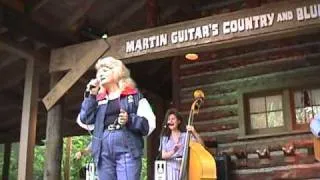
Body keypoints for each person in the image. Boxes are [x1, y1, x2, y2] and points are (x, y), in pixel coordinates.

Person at [78, 56, 156, 180]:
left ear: (116, 71)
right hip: (103, 150)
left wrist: (129, 120)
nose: (100, 74)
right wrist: (91, 96)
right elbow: (84, 120)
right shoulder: (98, 99)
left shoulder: (133, 96)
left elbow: (149, 124)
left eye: (105, 70)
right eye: (99, 72)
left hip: (128, 149)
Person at [161, 108, 204, 180]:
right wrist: (173, 151)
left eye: (173, 119)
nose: (170, 121)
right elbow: (163, 155)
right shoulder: (165, 137)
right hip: (170, 169)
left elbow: (201, 145)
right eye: (169, 119)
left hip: (183, 167)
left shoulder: (185, 136)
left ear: (178, 121)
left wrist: (194, 132)